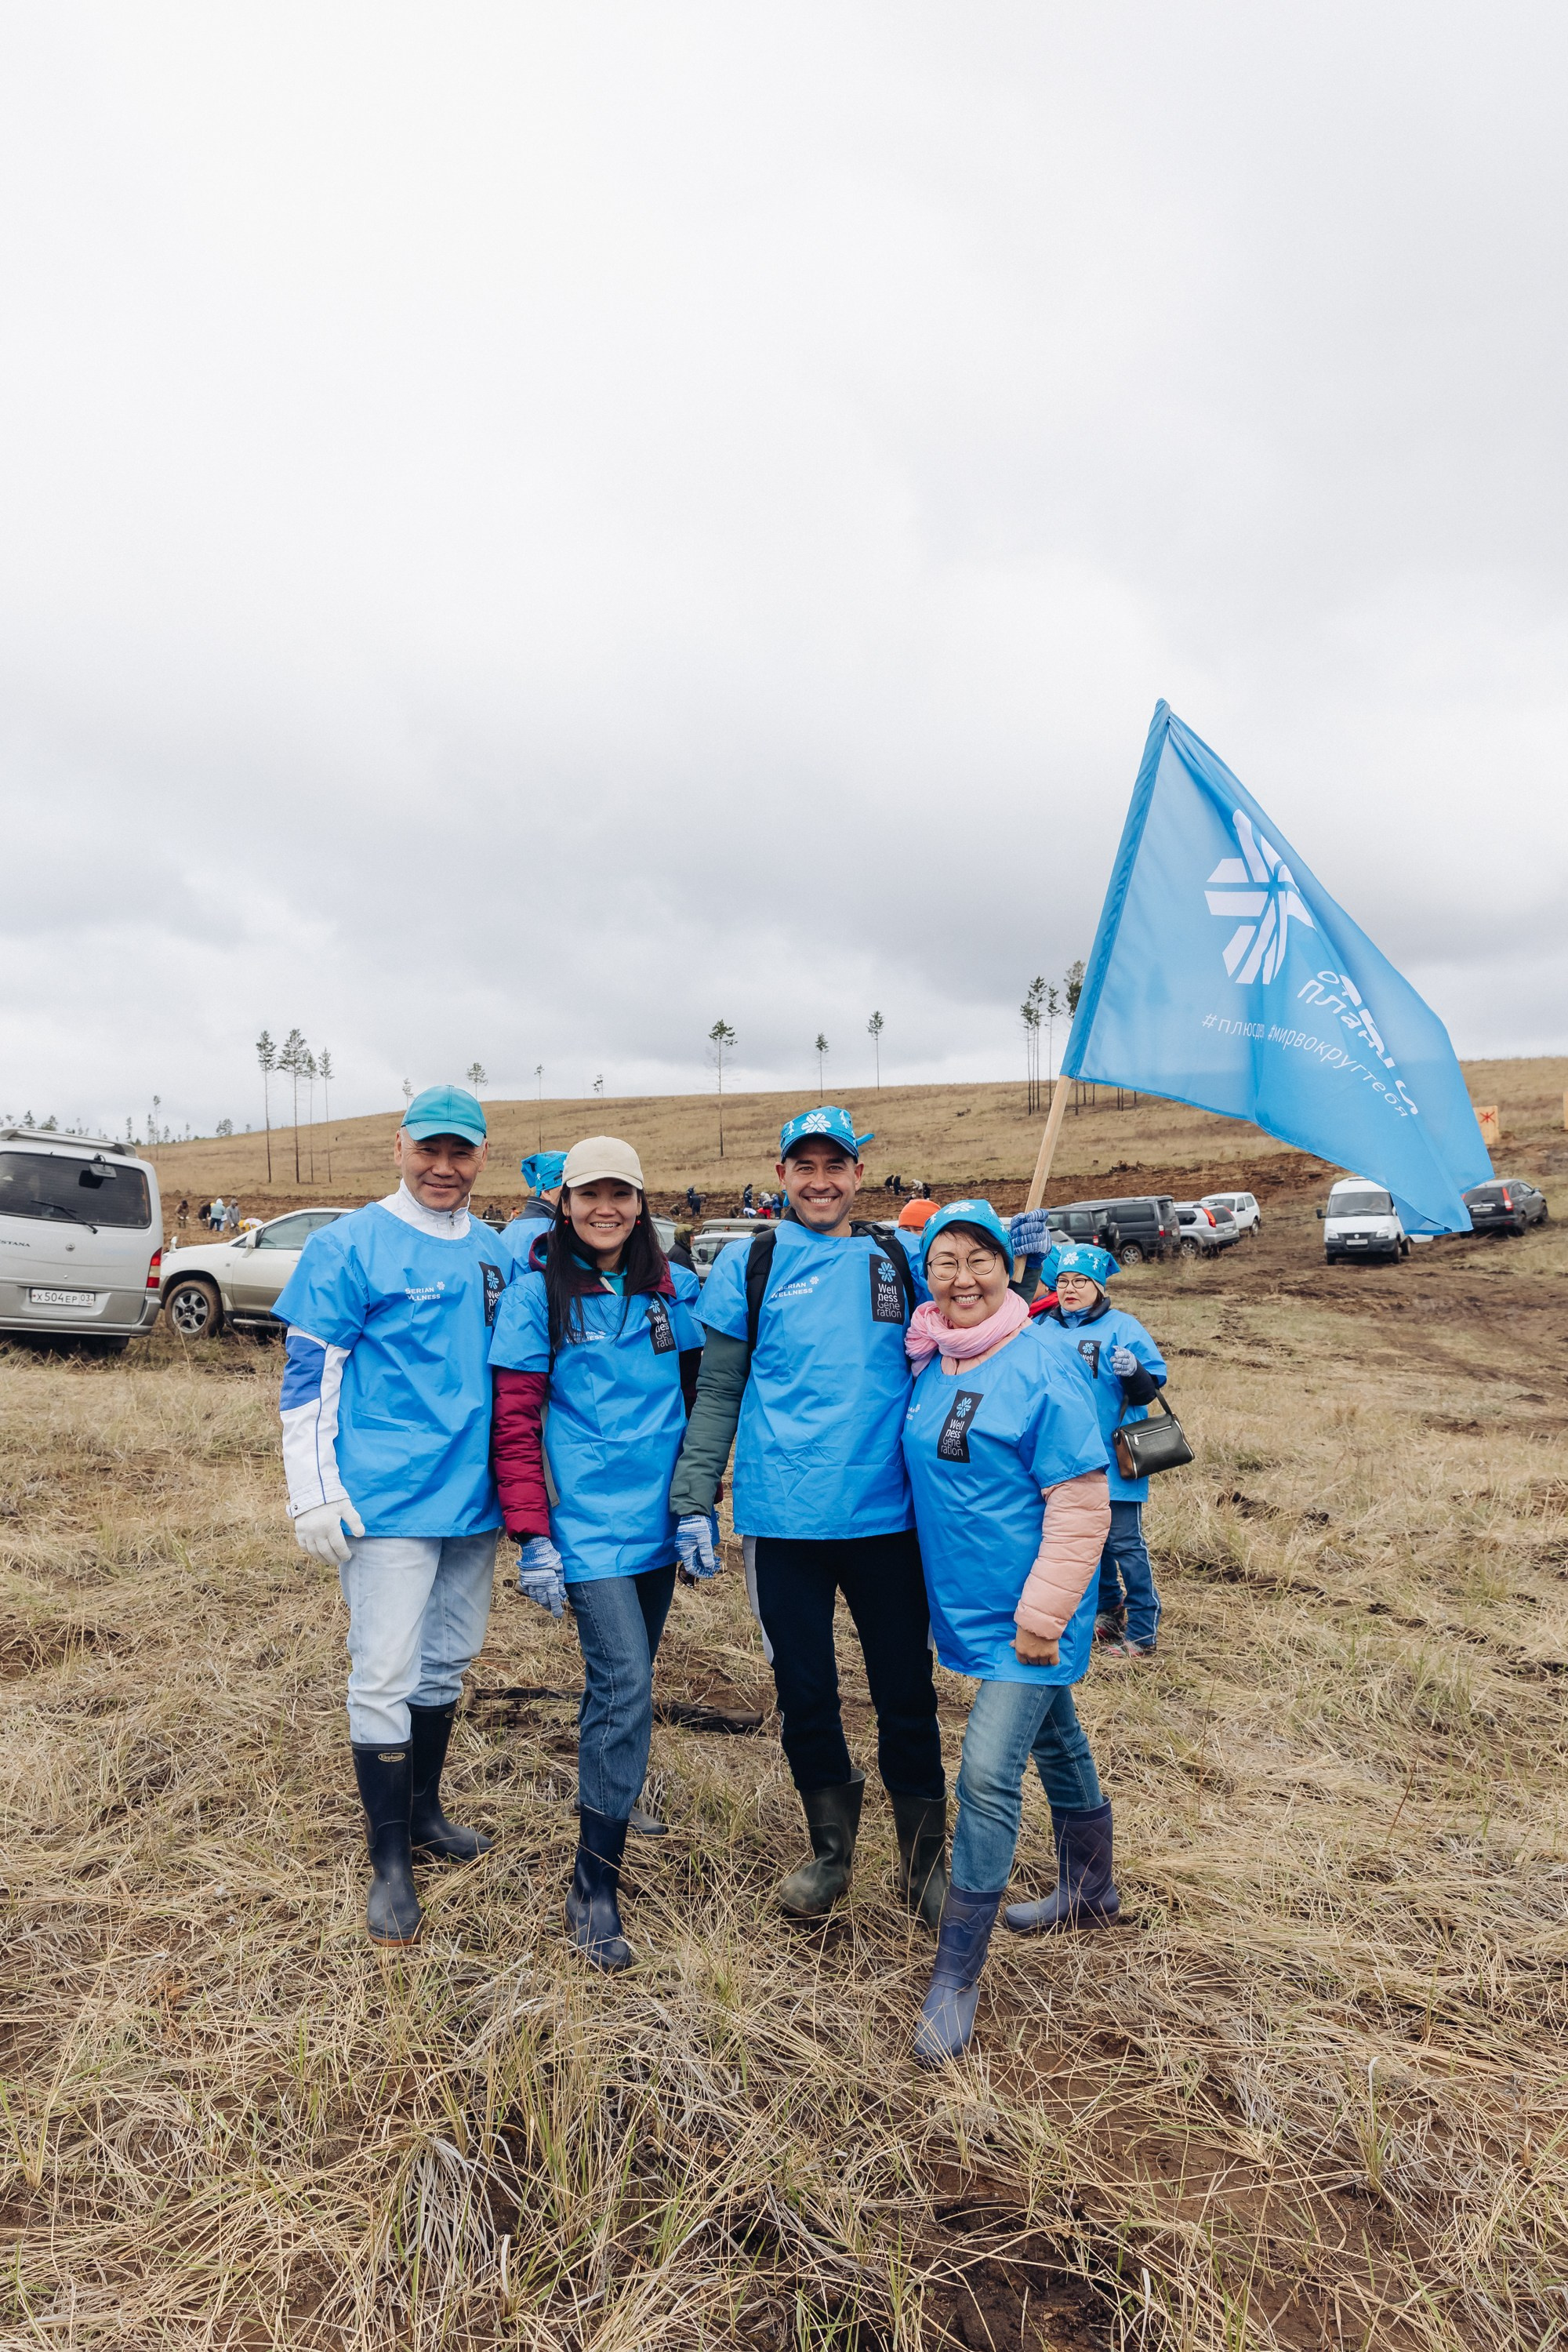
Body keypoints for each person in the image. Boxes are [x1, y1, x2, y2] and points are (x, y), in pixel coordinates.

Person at [669, 1104, 1054, 1932]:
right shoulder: (751, 1261)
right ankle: (829, 1854)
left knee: (904, 1692)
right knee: (804, 1692)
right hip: (783, 1523)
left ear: (856, 1174)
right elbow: (719, 1391)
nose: (819, 1182)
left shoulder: (896, 1254)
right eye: (802, 1167)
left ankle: (923, 1865)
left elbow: (975, 1312)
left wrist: (1025, 1264)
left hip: (889, 1519)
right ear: (781, 1177)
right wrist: (694, 1496)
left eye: (834, 1166)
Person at [274, 1085, 516, 1947]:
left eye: (461, 1154)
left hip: (472, 1501)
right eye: (429, 1152)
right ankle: (388, 1864)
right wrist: (314, 1489)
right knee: (382, 1671)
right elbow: (310, 1375)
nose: (444, 1169)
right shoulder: (349, 1246)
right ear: (399, 1148)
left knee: (445, 1662)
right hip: (385, 1501)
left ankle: (423, 1815)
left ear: (482, 1156)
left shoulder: (494, 1252)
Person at [899, 1203, 1114, 2063]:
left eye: (978, 1259)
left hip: (1031, 1617)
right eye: (943, 1260)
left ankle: (956, 1973)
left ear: (1008, 1269)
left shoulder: (1044, 1363)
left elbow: (1079, 1502)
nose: (961, 1276)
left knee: (987, 1774)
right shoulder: (933, 1358)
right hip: (969, 1608)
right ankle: (1089, 1888)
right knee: (1055, 1738)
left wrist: (1041, 1618)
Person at [489, 1137, 707, 1972]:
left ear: (642, 1201)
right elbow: (513, 1424)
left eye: (620, 1194)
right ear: (564, 1202)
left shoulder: (670, 1289)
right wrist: (533, 1533)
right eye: (588, 1195)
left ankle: (615, 1791)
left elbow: (698, 1400)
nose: (604, 1209)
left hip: (657, 1527)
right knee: (625, 1683)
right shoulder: (535, 1296)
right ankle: (594, 1884)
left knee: (625, 1679)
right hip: (583, 1530)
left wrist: (697, 1506)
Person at [1037, 1245, 1167, 1662]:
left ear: (1098, 1286)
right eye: (1063, 1281)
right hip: (1063, 1456)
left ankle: (1143, 1630)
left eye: (1080, 1282)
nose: (1070, 1289)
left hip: (1114, 1456)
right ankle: (1108, 1611)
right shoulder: (1042, 1326)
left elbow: (1150, 1390)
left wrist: (1135, 1372)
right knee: (1083, 1541)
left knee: (1124, 1541)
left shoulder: (1122, 1327)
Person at [504, 1152, 566, 1254]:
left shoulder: (511, 1229)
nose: (573, 1195)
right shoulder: (554, 1231)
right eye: (567, 1189)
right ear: (547, 1192)